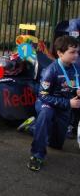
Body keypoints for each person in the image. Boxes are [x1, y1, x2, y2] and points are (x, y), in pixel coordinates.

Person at [27, 35, 80, 171]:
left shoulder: (76, 68)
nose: (76, 55)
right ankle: (37, 155)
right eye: (72, 52)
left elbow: (75, 85)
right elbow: (43, 96)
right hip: (48, 104)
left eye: (77, 52)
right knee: (45, 115)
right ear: (60, 53)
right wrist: (68, 103)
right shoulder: (51, 70)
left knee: (56, 144)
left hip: (64, 106)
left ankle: (32, 126)